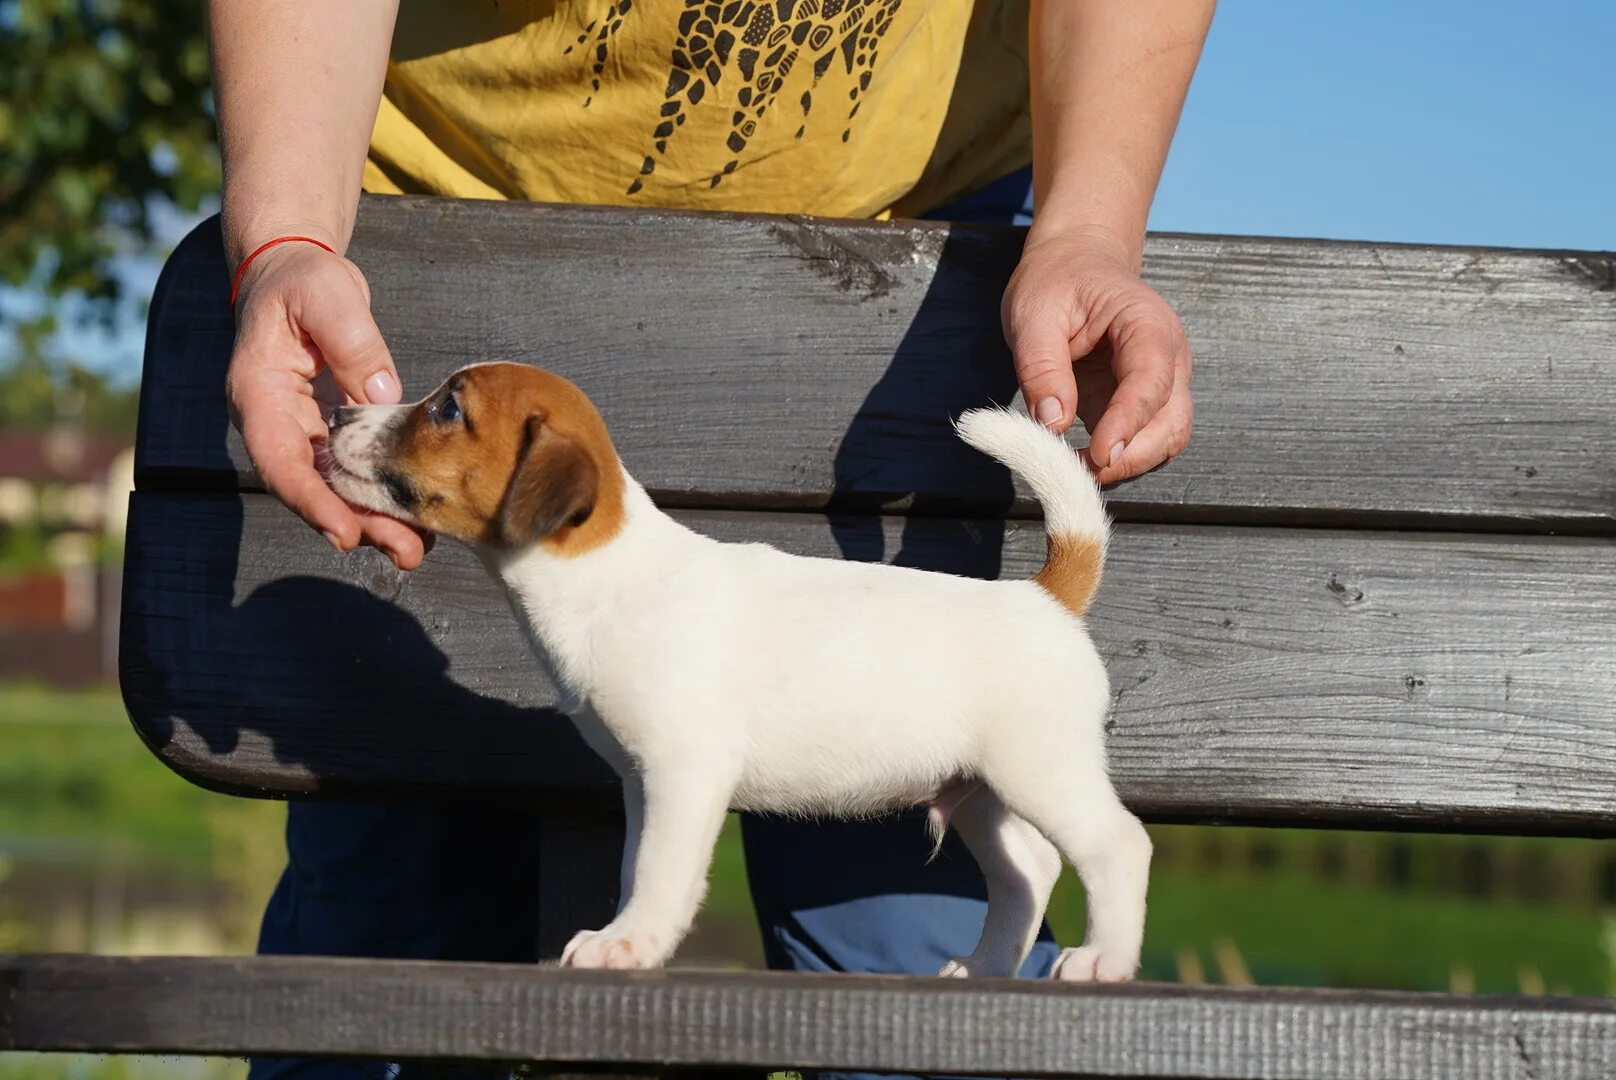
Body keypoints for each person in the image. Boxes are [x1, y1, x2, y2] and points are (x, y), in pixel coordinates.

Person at [212, 2, 1213, 1078]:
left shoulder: (638, 597)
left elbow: (684, 759)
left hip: (921, 257)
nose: (411, 421)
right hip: (439, 201)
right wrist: (286, 239)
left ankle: (1084, 916)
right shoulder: (622, 603)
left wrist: (1085, 232)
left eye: (445, 414)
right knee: (386, 934)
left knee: (930, 952)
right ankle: (1005, 936)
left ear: (544, 489)